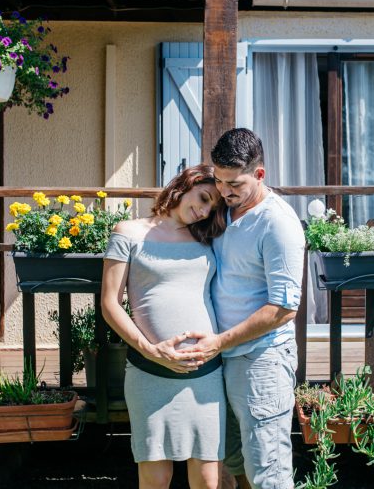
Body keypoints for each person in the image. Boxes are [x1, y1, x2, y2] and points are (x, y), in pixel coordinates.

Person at [182, 128, 305, 489]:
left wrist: (220, 341)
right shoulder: (227, 212)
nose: (224, 190)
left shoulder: (277, 223)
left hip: (262, 361)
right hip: (224, 359)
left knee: (268, 471)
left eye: (234, 183)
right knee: (236, 460)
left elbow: (284, 308)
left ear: (260, 175)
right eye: (219, 181)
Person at [100, 164, 228, 489]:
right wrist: (152, 351)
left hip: (206, 375)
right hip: (149, 374)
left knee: (208, 481)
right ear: (186, 184)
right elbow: (110, 303)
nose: (202, 210)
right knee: (156, 480)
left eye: (210, 207)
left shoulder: (208, 239)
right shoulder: (127, 232)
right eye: (202, 197)